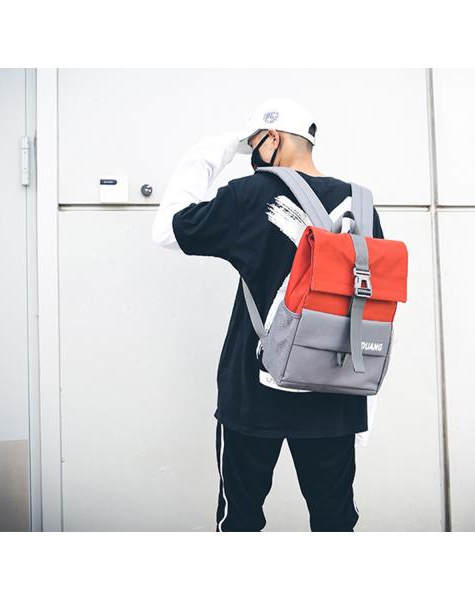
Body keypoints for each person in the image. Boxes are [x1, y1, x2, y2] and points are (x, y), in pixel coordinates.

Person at [151, 97, 384, 532]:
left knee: (239, 521)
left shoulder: (251, 195)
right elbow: (368, 309)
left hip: (254, 391)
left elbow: (167, 229)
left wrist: (216, 150)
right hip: (336, 392)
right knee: (335, 522)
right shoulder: (360, 204)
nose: (251, 158)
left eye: (254, 145)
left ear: (272, 138)